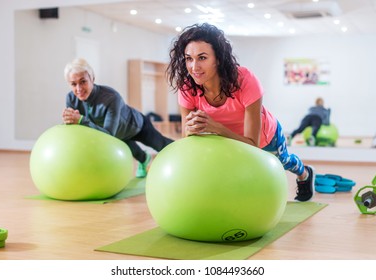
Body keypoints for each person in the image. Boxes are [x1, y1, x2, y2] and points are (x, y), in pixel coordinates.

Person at [166, 23, 315, 202]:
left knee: (283, 162)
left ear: (218, 59)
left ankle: (305, 173)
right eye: (189, 58)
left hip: (263, 138)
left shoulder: (244, 80)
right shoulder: (187, 87)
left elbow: (252, 145)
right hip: (224, 140)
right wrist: (191, 130)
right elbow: (186, 137)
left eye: (202, 58)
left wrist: (217, 128)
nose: (194, 67)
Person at [62, 58, 173, 178]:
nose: (78, 89)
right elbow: (78, 129)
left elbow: (108, 134)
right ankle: (144, 159)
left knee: (162, 146)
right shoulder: (71, 98)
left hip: (136, 126)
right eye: (73, 84)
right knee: (135, 153)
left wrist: (80, 120)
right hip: (117, 135)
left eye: (83, 81)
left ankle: (185, 154)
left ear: (92, 78)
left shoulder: (111, 97)